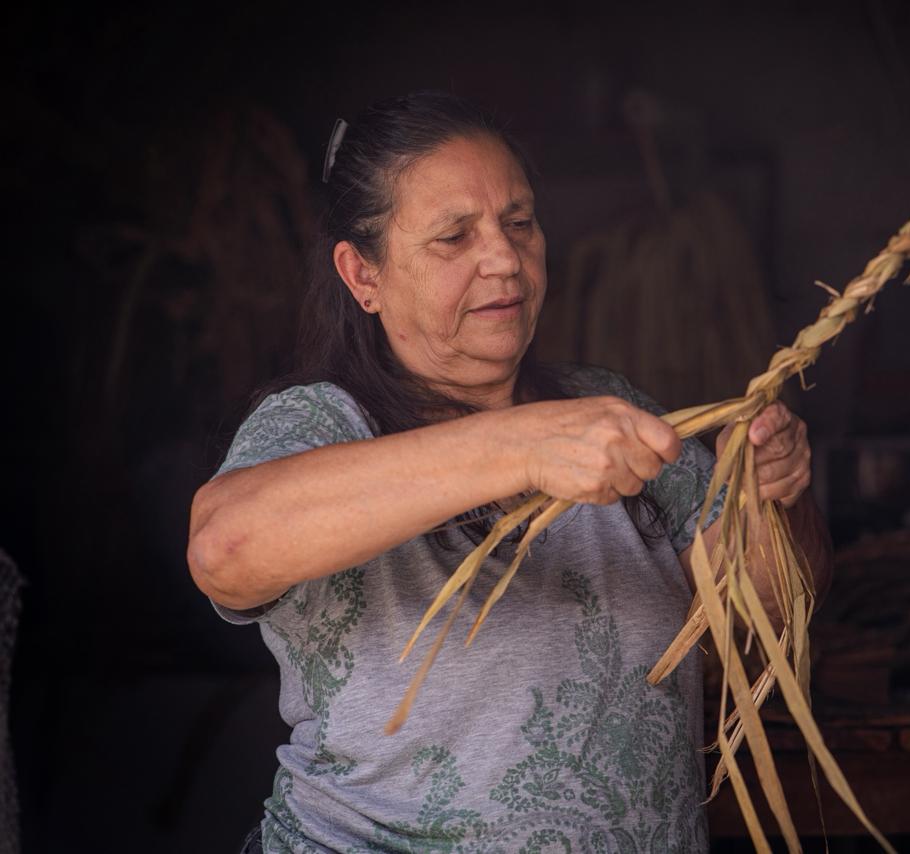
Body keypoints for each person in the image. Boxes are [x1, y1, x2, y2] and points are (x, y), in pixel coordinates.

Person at [187, 90, 832, 853]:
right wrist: (520, 446)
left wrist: (771, 496)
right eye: (453, 237)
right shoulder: (323, 425)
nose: (504, 259)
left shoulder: (608, 410)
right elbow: (225, 550)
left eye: (519, 223)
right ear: (363, 275)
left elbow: (768, 614)